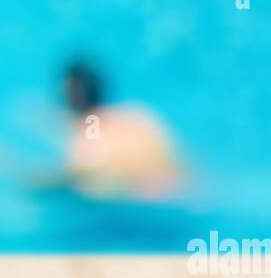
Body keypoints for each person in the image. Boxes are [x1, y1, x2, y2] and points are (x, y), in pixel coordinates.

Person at [57, 61, 182, 199]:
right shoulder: (138, 114)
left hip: (136, 199)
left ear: (71, 95)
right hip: (178, 190)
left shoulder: (90, 128)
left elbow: (85, 171)